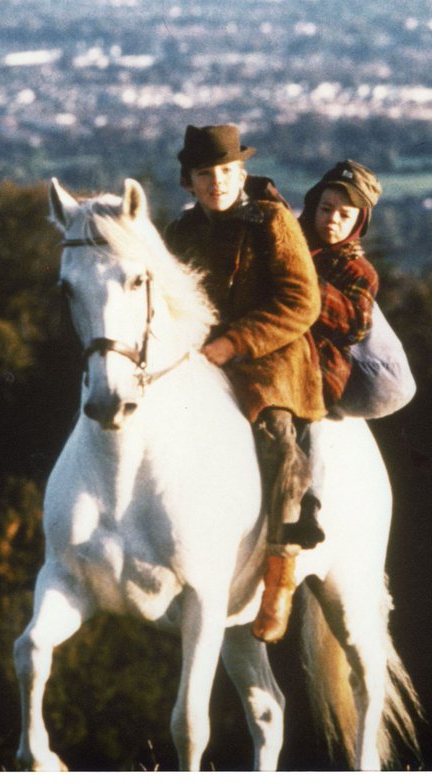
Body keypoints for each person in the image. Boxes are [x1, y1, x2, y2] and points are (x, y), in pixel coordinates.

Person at [163, 124, 324, 643]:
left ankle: (280, 573)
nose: (217, 183)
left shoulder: (271, 220)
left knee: (277, 436)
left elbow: (302, 301)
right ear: (189, 182)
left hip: (270, 355)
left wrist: (233, 344)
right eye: (206, 175)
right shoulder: (182, 232)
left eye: (226, 172)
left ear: (242, 173)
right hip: (201, 355)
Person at [298, 160, 383, 412]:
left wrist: (303, 279)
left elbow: (355, 327)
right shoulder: (295, 244)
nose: (332, 219)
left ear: (359, 222)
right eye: (326, 209)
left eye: (345, 215)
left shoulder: (360, 272)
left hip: (322, 366)